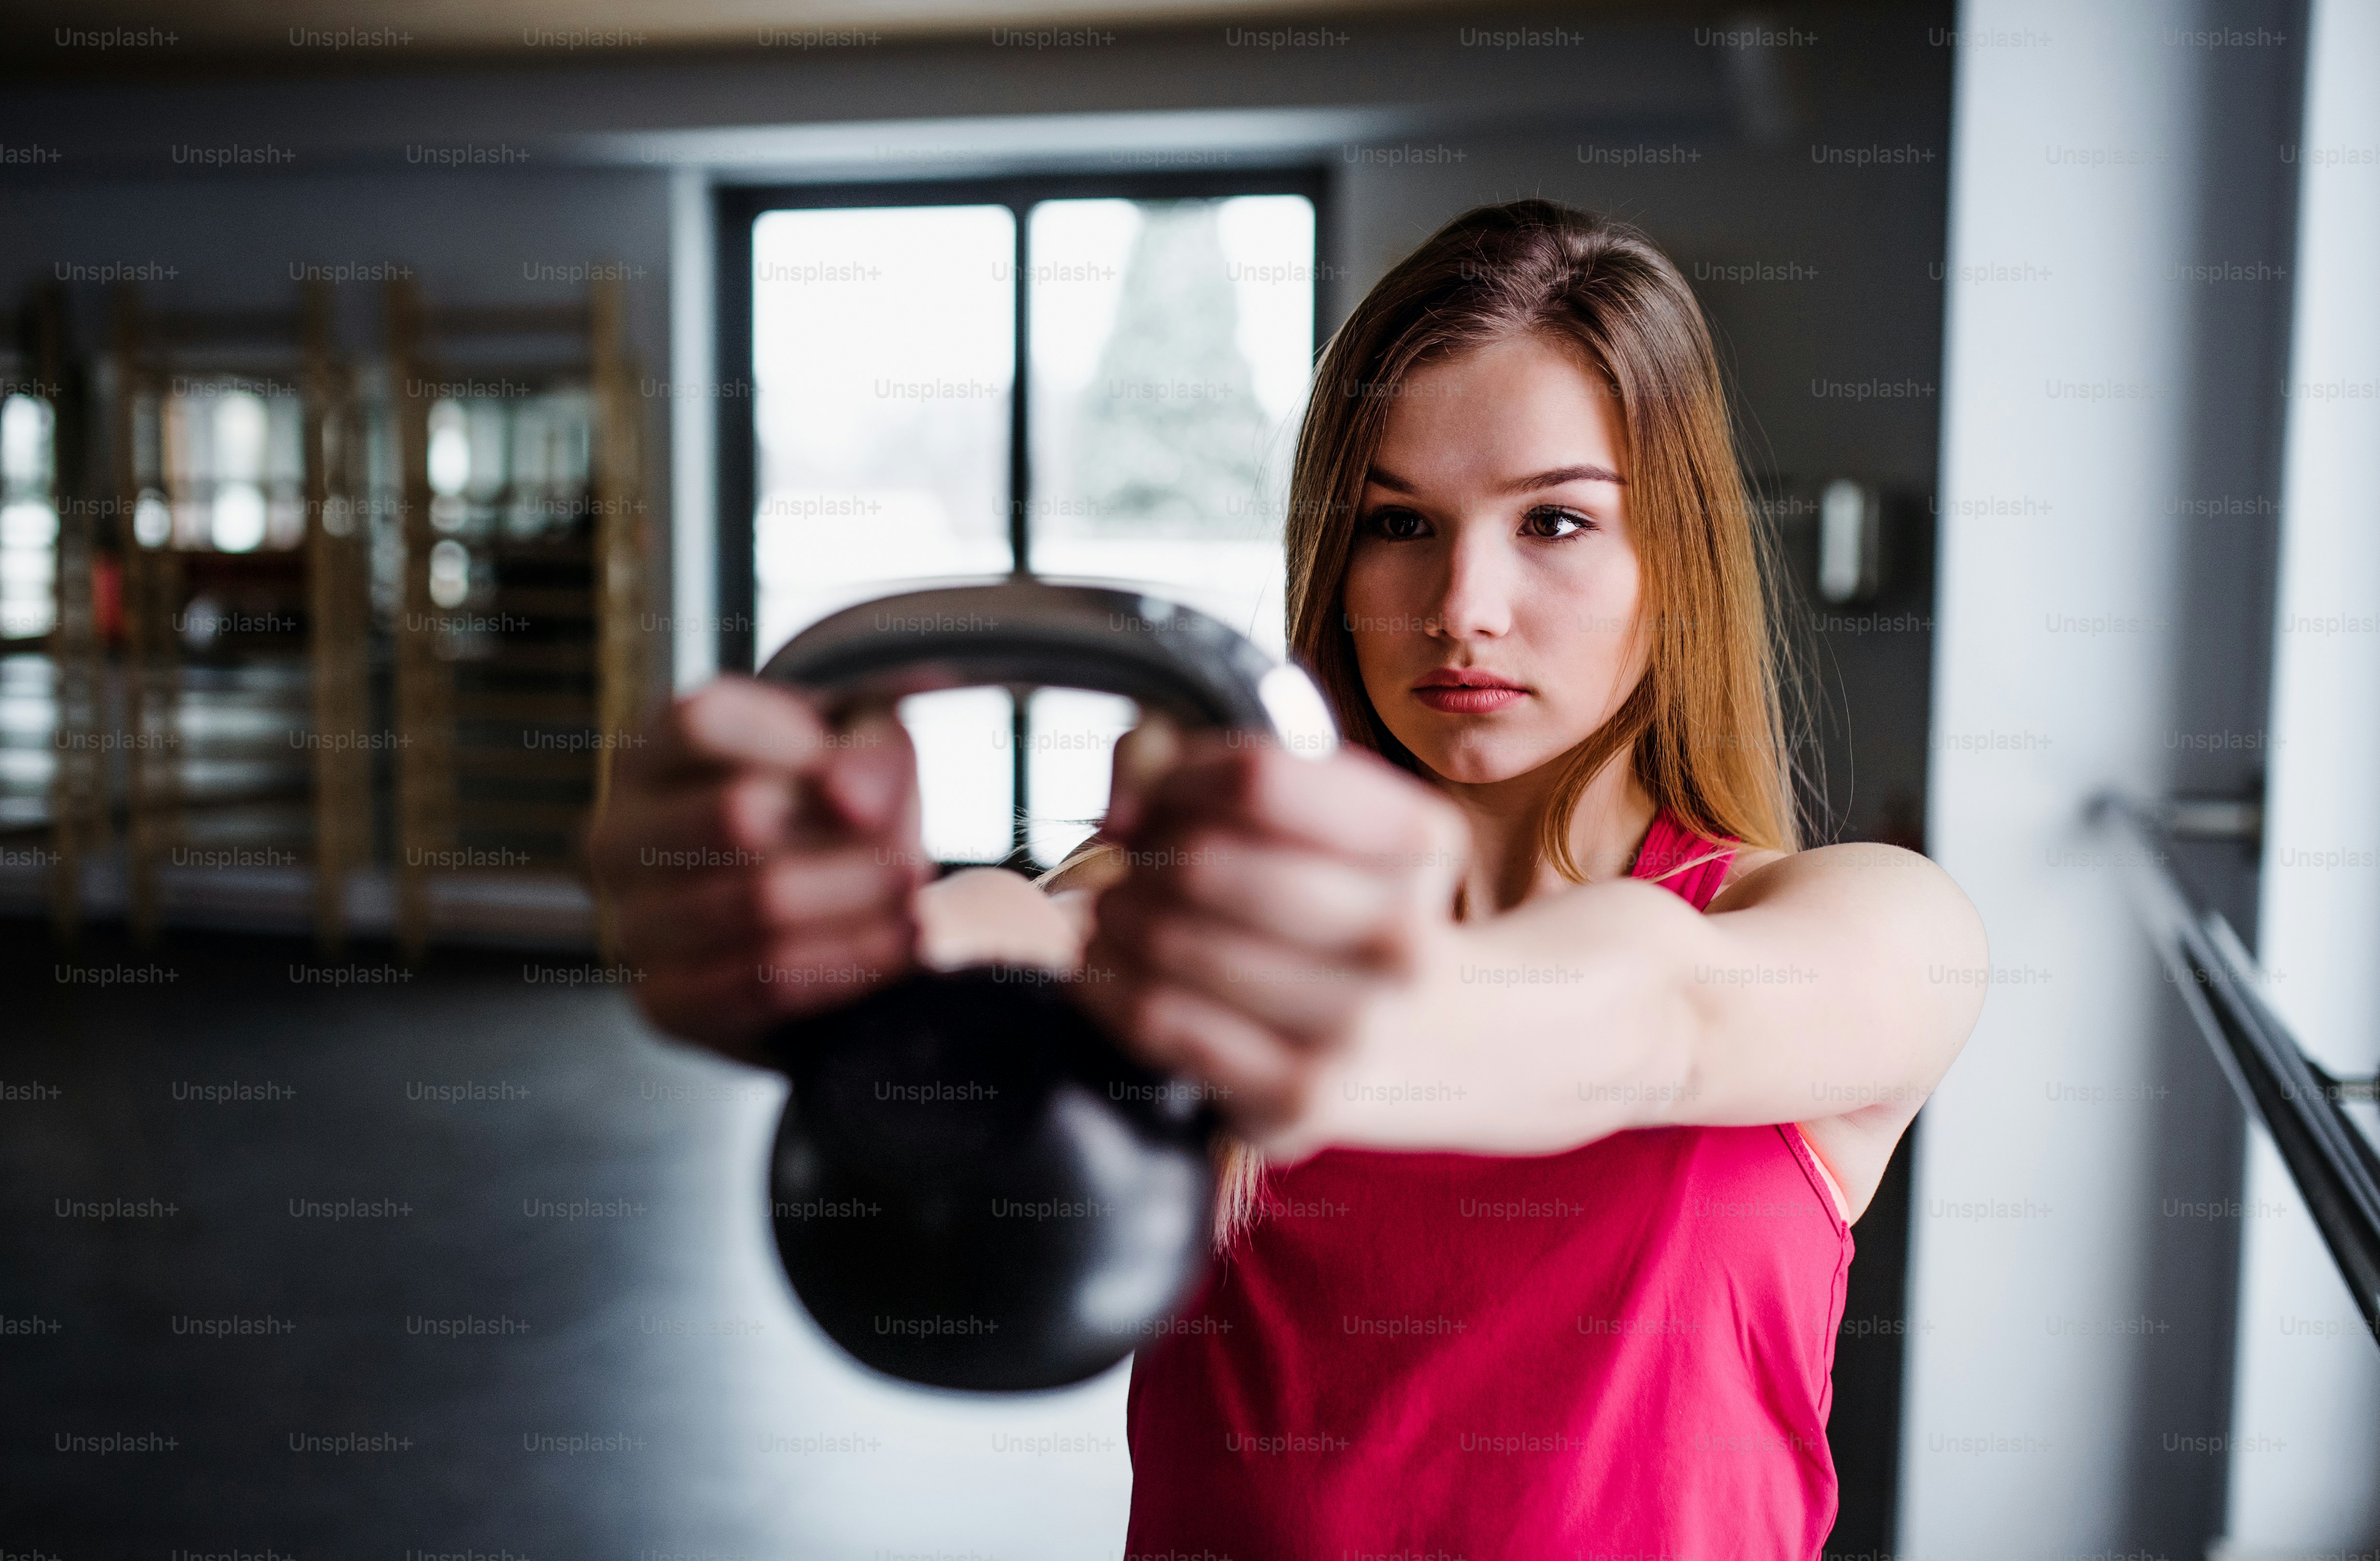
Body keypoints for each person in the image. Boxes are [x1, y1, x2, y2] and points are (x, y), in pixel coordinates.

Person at [589, 199, 1987, 1557]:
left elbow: (1661, 1018)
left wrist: (1331, 1009)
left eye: (1553, 523)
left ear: (1669, 557)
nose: (1462, 609)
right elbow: (1029, 931)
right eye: (1399, 524)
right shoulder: (1188, 901)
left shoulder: (1867, 926)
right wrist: (856, 947)